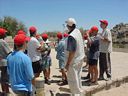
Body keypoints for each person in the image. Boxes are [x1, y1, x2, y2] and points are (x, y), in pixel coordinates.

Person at [65, 18, 85, 96]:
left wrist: (67, 64)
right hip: (79, 59)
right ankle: (79, 93)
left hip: (73, 61)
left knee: (73, 80)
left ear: (68, 26)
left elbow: (72, 52)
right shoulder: (78, 31)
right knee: (78, 77)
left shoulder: (71, 36)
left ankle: (76, 94)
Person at [0, 28, 12, 96]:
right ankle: (6, 92)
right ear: (2, 34)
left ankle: (3, 91)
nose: (5, 34)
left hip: (0, 62)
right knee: (6, 78)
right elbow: (9, 52)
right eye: (4, 33)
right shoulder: (2, 42)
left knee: (2, 77)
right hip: (4, 62)